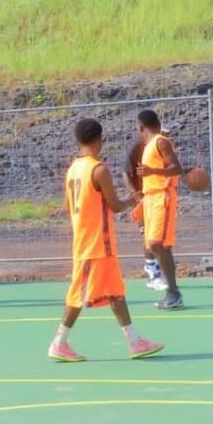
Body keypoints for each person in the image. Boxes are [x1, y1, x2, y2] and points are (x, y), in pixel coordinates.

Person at [48, 118, 164, 362]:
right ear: (99, 140)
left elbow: (68, 205)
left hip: (93, 241)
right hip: (94, 243)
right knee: (78, 295)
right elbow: (114, 205)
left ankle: (135, 341)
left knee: (115, 292)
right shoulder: (98, 169)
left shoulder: (73, 169)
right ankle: (59, 342)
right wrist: (132, 202)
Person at [137, 110, 185, 310]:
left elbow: (176, 168)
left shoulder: (160, 142)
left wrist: (152, 171)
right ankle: (171, 292)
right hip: (151, 197)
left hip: (162, 197)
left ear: (140, 126)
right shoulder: (149, 145)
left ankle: (173, 292)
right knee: (153, 244)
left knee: (158, 244)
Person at [124, 141, 165, 291]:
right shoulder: (137, 148)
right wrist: (135, 194)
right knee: (149, 237)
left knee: (160, 238)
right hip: (144, 198)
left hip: (160, 198)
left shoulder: (164, 147)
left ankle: (156, 270)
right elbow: (125, 173)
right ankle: (153, 273)